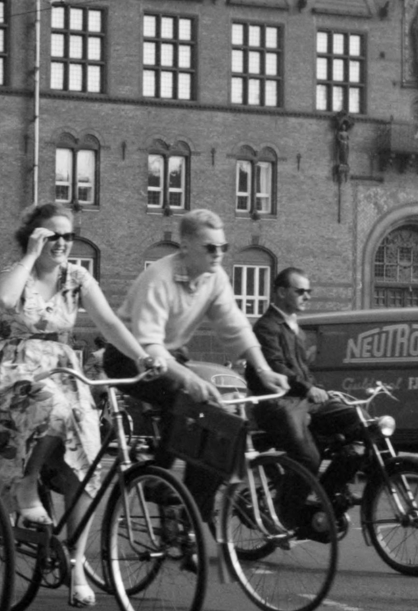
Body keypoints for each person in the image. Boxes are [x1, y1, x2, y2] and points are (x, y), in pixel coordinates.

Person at [0, 203, 153, 607]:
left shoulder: (77, 277)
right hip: (12, 372)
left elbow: (109, 323)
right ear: (35, 237)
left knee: (86, 467)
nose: (63, 243)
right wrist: (30, 256)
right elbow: (1, 300)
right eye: (53, 236)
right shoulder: (16, 272)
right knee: (49, 404)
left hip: (64, 371)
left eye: (68, 236)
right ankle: (26, 485)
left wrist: (141, 357)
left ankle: (75, 564)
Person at [104, 210, 288, 514]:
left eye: (223, 248)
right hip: (129, 356)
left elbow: (235, 326)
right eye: (210, 248)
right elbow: (150, 347)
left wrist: (263, 368)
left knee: (221, 421)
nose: (219, 255)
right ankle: (158, 479)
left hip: (170, 356)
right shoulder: (158, 279)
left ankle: (192, 512)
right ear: (186, 246)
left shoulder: (214, 278)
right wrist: (190, 380)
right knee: (188, 397)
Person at [246, 269, 359, 485]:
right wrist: (308, 388)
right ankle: (290, 513)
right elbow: (276, 367)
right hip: (278, 404)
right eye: (300, 291)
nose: (307, 296)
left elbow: (302, 370)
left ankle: (329, 492)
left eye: (309, 291)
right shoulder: (266, 327)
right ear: (280, 292)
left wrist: (316, 389)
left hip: (302, 401)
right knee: (308, 459)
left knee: (356, 420)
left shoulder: (296, 328)